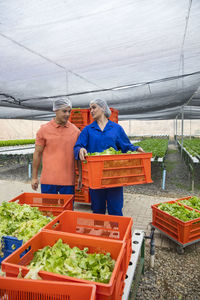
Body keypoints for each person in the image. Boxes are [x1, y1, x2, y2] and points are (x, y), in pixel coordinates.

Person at [74, 99, 144, 216]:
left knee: (115, 209)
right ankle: (99, 232)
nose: (91, 111)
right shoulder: (87, 130)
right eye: (90, 108)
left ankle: (116, 233)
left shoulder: (116, 128)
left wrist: (136, 149)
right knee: (97, 210)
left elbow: (126, 146)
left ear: (102, 108)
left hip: (114, 176)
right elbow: (78, 146)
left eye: (94, 107)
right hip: (95, 177)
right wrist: (80, 149)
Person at [31, 97, 81, 195]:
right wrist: (34, 177)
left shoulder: (75, 131)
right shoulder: (44, 130)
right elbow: (37, 153)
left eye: (69, 111)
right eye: (64, 111)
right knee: (49, 210)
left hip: (68, 182)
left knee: (67, 210)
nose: (67, 114)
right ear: (55, 110)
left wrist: (80, 176)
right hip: (48, 181)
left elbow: (78, 156)